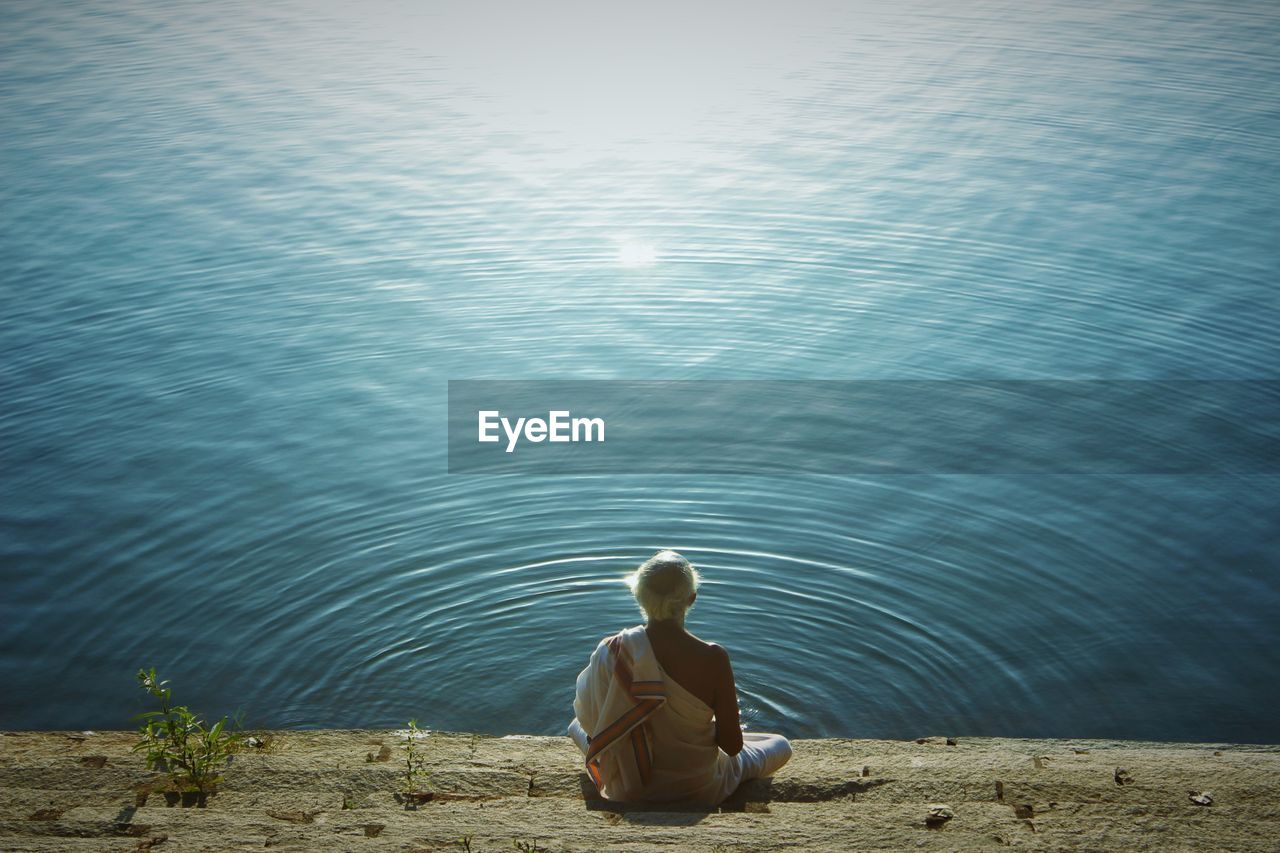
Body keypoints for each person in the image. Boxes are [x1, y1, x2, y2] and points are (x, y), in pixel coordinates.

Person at [568, 550, 792, 805]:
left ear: (638, 597)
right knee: (781, 744)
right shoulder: (713, 658)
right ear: (691, 598)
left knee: (575, 725)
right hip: (698, 787)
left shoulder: (612, 651)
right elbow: (731, 747)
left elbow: (590, 720)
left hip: (627, 787)